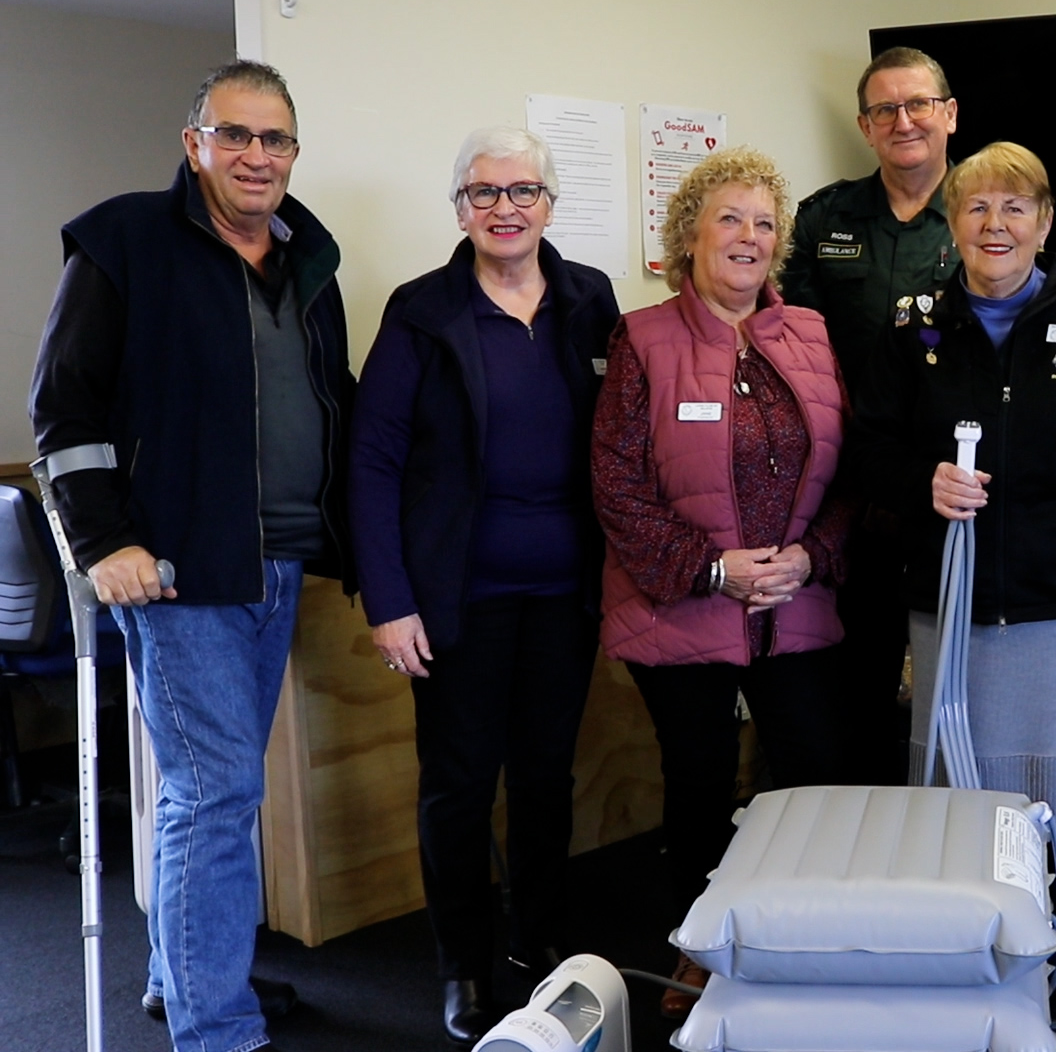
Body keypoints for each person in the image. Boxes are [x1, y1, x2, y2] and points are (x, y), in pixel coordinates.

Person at [29, 60, 352, 1052]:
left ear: (294, 152)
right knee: (215, 796)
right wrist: (104, 541)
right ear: (194, 144)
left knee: (215, 789)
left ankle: (183, 977)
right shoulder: (127, 240)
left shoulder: (305, 261)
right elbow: (63, 409)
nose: (257, 156)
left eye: (276, 139)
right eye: (236, 135)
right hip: (176, 574)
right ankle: (217, 1028)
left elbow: (327, 401)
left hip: (277, 566)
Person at [348, 125, 618, 1045]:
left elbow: (620, 441)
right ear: (458, 208)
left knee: (547, 778)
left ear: (549, 202)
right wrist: (388, 598)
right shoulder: (421, 309)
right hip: (455, 598)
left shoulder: (591, 300)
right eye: (484, 193)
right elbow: (375, 459)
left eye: (522, 192)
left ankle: (537, 948)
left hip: (564, 596)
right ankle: (462, 965)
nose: (505, 208)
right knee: (459, 785)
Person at [591, 146, 853, 1019]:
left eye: (764, 224)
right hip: (681, 609)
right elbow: (616, 481)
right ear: (689, 236)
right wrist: (712, 569)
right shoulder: (641, 338)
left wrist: (812, 556)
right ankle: (701, 948)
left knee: (813, 774)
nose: (748, 237)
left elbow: (856, 470)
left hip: (798, 603)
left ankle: (795, 934)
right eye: (730, 219)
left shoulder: (813, 335)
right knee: (699, 784)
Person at [852, 141, 1056, 839]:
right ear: (953, 221)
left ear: (1045, 222)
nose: (996, 224)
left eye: (1015, 208)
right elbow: (867, 447)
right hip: (949, 607)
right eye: (977, 207)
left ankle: (1046, 938)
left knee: (1053, 807)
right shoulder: (913, 325)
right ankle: (963, 938)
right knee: (953, 807)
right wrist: (921, 481)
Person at [784, 47, 960, 782]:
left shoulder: (989, 209)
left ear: (950, 114)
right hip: (847, 495)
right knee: (853, 692)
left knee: (955, 697)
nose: (904, 120)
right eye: (885, 109)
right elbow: (787, 338)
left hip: (953, 495)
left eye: (919, 103)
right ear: (864, 125)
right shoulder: (826, 216)